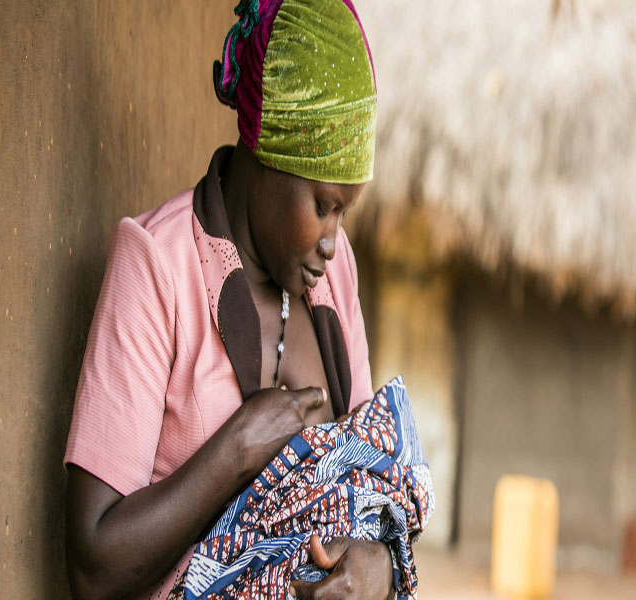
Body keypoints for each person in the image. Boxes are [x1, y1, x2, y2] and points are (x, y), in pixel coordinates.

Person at [63, 0, 395, 598]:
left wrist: (376, 565)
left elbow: (375, 485)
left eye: (345, 211)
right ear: (265, 156)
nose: (332, 241)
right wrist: (236, 449)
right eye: (322, 206)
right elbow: (93, 566)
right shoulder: (157, 266)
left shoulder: (334, 271)